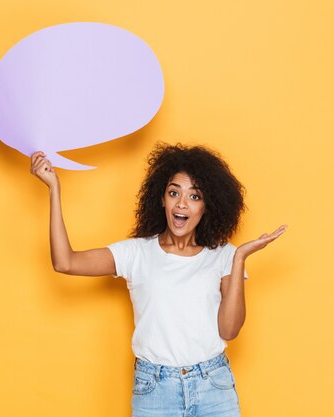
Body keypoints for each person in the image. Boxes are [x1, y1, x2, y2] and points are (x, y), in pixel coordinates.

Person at [30, 142, 287, 417]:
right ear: (161, 199)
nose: (182, 203)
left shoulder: (224, 256)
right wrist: (54, 188)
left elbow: (229, 331)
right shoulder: (136, 253)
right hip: (155, 390)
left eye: (194, 196)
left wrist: (239, 259)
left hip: (213, 385)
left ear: (207, 206)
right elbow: (65, 262)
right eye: (174, 192)